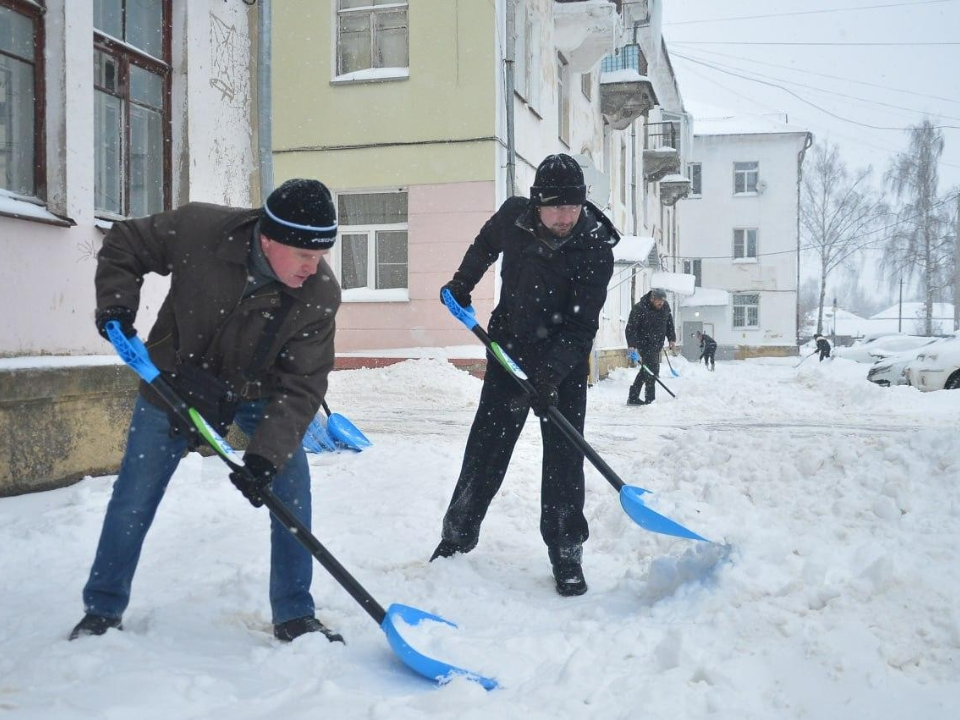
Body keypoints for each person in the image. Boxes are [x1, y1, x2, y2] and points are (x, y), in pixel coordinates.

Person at [70, 179, 343, 644]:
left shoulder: (318, 294)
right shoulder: (200, 230)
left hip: (257, 392)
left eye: (320, 256)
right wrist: (116, 305)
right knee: (134, 494)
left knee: (292, 490)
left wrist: (265, 458)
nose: (312, 268)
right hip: (173, 380)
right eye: (304, 254)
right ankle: (102, 609)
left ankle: (295, 613)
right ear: (268, 238)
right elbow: (126, 242)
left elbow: (303, 385)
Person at [431, 153, 619, 597]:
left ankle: (566, 551)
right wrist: (462, 283)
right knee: (486, 447)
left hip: (563, 364)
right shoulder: (514, 217)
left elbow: (581, 327)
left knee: (563, 460)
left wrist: (550, 377)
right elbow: (484, 246)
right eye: (556, 207)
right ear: (537, 203)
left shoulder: (595, 247)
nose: (565, 216)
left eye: (573, 206)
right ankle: (457, 536)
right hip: (509, 348)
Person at [625, 289, 676, 405]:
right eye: (659, 301)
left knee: (646, 370)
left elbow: (669, 323)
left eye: (663, 301)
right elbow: (631, 328)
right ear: (652, 298)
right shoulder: (640, 308)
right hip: (645, 343)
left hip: (657, 344)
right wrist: (631, 345)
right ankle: (650, 399)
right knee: (652, 371)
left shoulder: (665, 307)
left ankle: (633, 397)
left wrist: (672, 338)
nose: (661, 303)